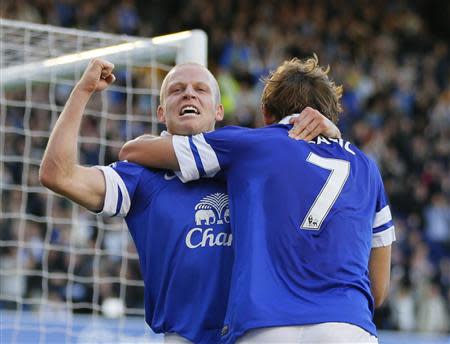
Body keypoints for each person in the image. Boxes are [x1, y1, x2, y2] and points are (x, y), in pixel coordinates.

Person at [39, 58, 341, 343]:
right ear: (161, 112)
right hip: (184, 337)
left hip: (261, 334)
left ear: (218, 110)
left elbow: (328, 183)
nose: (188, 95)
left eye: (200, 89)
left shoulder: (255, 163)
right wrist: (84, 90)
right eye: (176, 90)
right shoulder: (141, 177)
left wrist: (331, 134)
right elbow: (58, 175)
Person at [119, 56, 396, 343]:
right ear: (329, 115)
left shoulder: (252, 144)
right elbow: (378, 290)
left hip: (266, 325)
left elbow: (135, 151)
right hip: (347, 325)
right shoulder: (367, 168)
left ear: (265, 113)